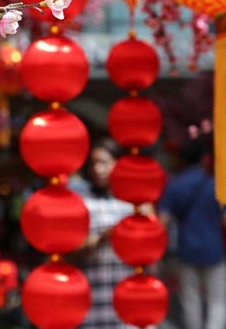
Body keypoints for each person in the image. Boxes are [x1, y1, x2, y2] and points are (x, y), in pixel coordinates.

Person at [159, 134, 226, 329]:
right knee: (218, 302)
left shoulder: (175, 185)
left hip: (186, 250)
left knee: (190, 300)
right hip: (214, 251)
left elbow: (163, 221)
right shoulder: (216, 184)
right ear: (203, 158)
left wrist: (155, 253)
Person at [75, 138, 137, 328]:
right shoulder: (83, 203)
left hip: (125, 296)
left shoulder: (132, 203)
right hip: (94, 295)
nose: (97, 169)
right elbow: (73, 250)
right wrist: (103, 237)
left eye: (104, 162)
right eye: (93, 163)